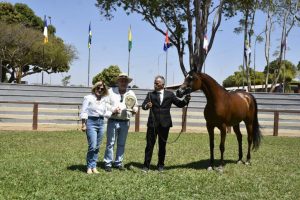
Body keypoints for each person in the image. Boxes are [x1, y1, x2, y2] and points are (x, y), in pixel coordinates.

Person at [141, 75, 190, 172]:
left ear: (163, 84)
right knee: (149, 145)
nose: (155, 84)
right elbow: (143, 106)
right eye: (154, 82)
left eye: (157, 83)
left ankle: (160, 166)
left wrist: (185, 100)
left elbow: (179, 104)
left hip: (165, 124)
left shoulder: (170, 94)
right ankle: (146, 166)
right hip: (152, 124)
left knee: (162, 146)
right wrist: (147, 105)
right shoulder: (150, 94)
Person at [103, 73, 138, 172]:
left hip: (125, 121)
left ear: (127, 83)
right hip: (113, 120)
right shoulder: (110, 91)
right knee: (110, 143)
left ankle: (118, 163)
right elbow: (105, 104)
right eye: (121, 80)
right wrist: (113, 109)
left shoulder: (131, 93)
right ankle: (108, 163)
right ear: (118, 82)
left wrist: (135, 110)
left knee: (121, 143)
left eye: (125, 81)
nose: (123, 82)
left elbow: (136, 105)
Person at [80, 81, 112, 174]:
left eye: (102, 89)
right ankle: (89, 166)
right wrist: (83, 124)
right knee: (92, 146)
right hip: (91, 122)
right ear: (94, 88)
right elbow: (84, 111)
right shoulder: (88, 98)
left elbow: (106, 112)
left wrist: (113, 112)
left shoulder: (104, 100)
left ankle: (94, 166)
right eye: (98, 88)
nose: (100, 90)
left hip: (102, 123)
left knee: (97, 147)